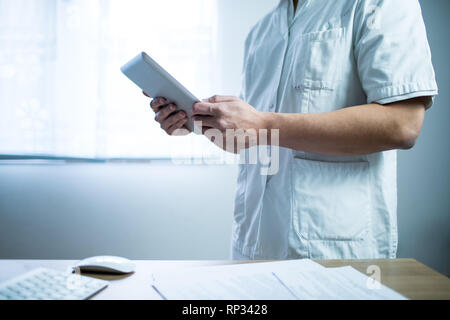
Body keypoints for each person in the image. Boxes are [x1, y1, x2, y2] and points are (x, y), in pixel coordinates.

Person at [144, 0, 438, 260]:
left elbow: (402, 125)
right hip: (253, 246)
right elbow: (253, 138)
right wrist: (198, 124)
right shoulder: (261, 33)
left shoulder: (378, 4)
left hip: (335, 255)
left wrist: (263, 124)